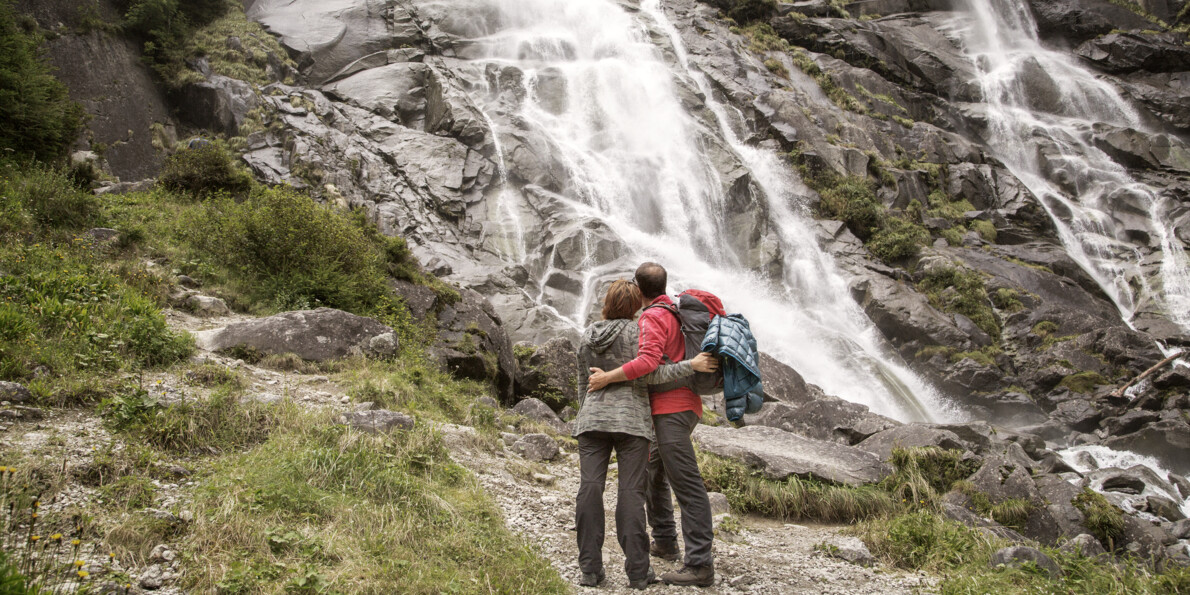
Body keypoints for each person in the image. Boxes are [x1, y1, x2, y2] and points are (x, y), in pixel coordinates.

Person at [575, 280, 719, 590]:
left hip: (591, 419)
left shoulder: (587, 335)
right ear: (636, 304)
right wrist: (689, 366)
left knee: (589, 488)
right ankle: (638, 573)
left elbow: (581, 382)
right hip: (631, 422)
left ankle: (589, 569)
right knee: (630, 492)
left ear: (606, 303)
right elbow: (651, 372)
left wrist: (583, 415)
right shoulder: (639, 330)